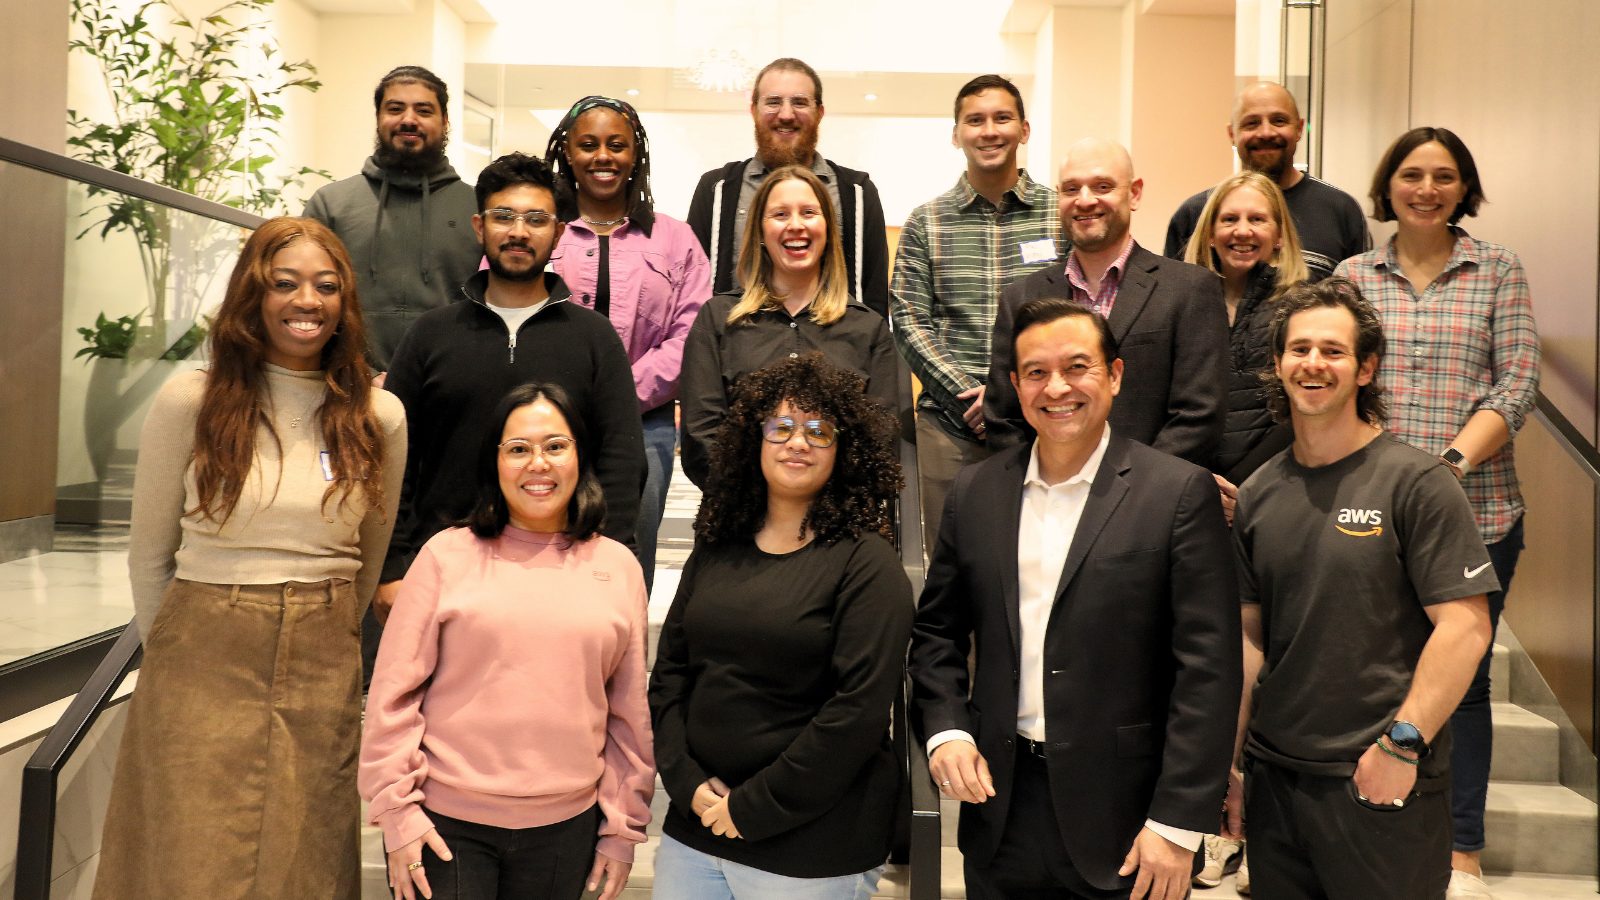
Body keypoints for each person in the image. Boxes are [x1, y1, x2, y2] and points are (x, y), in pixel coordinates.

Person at [93, 217, 407, 898]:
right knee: (187, 851)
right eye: (285, 283)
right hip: (203, 651)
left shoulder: (378, 417)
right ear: (252, 295)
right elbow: (149, 555)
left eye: (326, 286)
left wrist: (326, 630)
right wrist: (177, 654)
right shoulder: (192, 401)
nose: (307, 301)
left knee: (308, 854)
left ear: (344, 303)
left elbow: (366, 557)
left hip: (323, 654)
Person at [912, 297, 1241, 900]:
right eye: (1035, 372)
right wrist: (946, 730)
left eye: (1077, 367)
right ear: (1014, 385)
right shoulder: (976, 491)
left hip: (1129, 821)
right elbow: (936, 635)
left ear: (1114, 375)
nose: (1056, 387)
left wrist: (1177, 823)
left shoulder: (1176, 492)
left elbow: (1210, 670)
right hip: (999, 809)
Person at [1227, 278, 1496, 899]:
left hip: (1378, 776)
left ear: (1366, 367)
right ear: (1277, 363)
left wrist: (1401, 746)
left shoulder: (1419, 483)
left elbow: (1466, 626)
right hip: (1278, 779)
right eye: (1298, 349)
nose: (1313, 364)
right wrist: (1233, 761)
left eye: (1334, 351)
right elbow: (1249, 639)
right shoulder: (1260, 492)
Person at [1334, 126, 1540, 900]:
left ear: (1465, 187)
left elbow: (1516, 384)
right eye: (1412, 174)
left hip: (1478, 508)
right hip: (1368, 514)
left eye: (1444, 176)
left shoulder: (1499, 271)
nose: (1426, 188)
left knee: (1469, 681)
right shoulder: (1355, 274)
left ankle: (1460, 850)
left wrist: (1445, 468)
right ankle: (1367, 822)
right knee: (1373, 674)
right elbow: (1344, 381)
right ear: (1387, 185)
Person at [362, 383, 652, 900]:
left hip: (567, 830)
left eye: (555, 446)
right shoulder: (444, 556)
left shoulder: (618, 566)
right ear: (493, 462)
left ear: (579, 456)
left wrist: (622, 829)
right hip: (445, 829)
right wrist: (397, 811)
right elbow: (392, 696)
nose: (537, 463)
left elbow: (629, 716)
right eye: (518, 449)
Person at [650, 354, 913, 900]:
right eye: (783, 427)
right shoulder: (719, 545)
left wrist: (750, 808)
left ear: (846, 451)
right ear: (754, 439)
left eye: (820, 431)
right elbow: (671, 673)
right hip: (698, 827)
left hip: (812, 846)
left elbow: (857, 712)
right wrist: (686, 783)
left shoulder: (867, 562)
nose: (799, 442)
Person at [378, 152, 643, 621]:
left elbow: (621, 460)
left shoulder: (594, 337)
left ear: (558, 232)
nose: (518, 231)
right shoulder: (430, 334)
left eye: (536, 219)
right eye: (504, 217)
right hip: (442, 569)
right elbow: (394, 457)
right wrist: (394, 566)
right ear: (480, 227)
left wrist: (609, 562)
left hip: (565, 570)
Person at [891, 73, 1062, 560]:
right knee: (953, 570)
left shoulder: (1059, 215)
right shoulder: (928, 220)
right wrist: (974, 399)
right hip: (949, 428)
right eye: (975, 120)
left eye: (1002, 118)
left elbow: (1078, 311)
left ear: (1024, 130)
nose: (989, 131)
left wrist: (1007, 396)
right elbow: (908, 319)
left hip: (1043, 424)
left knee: (1040, 564)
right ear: (956, 134)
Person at [543, 95, 711, 588]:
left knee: (625, 563)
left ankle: (622, 663)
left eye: (617, 145)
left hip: (646, 427)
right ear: (567, 153)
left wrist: (616, 396)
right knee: (540, 555)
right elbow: (504, 309)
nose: (603, 156)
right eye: (588, 144)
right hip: (543, 422)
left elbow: (691, 335)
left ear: (634, 153)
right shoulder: (538, 228)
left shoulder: (676, 240)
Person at [984, 138, 1228, 468]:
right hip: (1049, 503)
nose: (1085, 200)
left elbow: (1199, 417)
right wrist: (1047, 486)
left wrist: (1132, 491)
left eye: (1102, 186)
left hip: (1152, 503)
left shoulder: (1190, 290)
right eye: (1071, 189)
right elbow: (1003, 420)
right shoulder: (1021, 299)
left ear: (1135, 193)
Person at [679, 164, 897, 489]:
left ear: (828, 228)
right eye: (780, 214)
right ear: (760, 231)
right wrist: (766, 502)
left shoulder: (869, 329)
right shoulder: (718, 319)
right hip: (738, 518)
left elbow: (880, 437)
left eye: (809, 212)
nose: (796, 225)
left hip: (836, 522)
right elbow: (701, 434)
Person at [304, 64, 483, 372]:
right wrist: (361, 376)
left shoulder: (479, 208)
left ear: (445, 122)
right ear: (378, 118)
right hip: (347, 387)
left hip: (449, 387)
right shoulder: (330, 205)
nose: (408, 120)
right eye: (395, 109)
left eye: (424, 110)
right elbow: (308, 302)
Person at [687, 57, 890, 317]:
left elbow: (874, 301)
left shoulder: (857, 192)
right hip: (736, 350)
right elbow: (692, 294)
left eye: (800, 102)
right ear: (753, 110)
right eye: (773, 102)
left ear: (820, 112)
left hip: (834, 350)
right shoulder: (716, 190)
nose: (785, 114)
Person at [1164, 82, 1368, 281]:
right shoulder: (1195, 213)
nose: (1265, 133)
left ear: (1299, 129)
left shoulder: (1341, 210)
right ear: (1232, 134)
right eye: (1252, 123)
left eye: (1278, 121)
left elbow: (1359, 303)